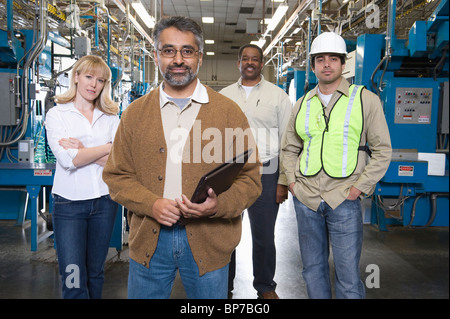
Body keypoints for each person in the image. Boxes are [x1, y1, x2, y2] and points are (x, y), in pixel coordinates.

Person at [102, 16, 262, 299]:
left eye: (187, 51)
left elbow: (250, 178)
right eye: (168, 50)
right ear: (156, 55)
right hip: (150, 240)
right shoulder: (135, 114)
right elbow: (116, 176)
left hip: (209, 241)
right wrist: (152, 204)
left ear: (199, 57)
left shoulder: (228, 112)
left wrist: (218, 205)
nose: (178, 59)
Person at [280, 32, 392, 299]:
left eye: (333, 59)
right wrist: (293, 184)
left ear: (344, 64)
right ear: (313, 65)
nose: (326, 64)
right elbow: (289, 148)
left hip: (344, 198)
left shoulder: (365, 100)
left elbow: (383, 151)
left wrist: (359, 188)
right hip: (306, 199)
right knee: (312, 269)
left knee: (348, 275)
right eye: (320, 59)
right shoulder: (302, 104)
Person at [220, 44, 292, 299]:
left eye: (255, 59)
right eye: (245, 59)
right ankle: (223, 286)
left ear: (262, 64)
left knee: (264, 235)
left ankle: (265, 286)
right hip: (230, 173)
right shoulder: (224, 95)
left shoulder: (278, 96)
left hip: (267, 171)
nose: (250, 63)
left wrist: (283, 180)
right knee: (226, 233)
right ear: (238, 63)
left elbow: (288, 140)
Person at [45, 55, 120, 299]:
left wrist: (83, 149)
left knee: (96, 272)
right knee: (73, 275)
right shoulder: (57, 115)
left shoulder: (110, 117)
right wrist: (107, 147)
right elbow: (68, 160)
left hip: (104, 202)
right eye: (89, 76)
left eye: (100, 80)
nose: (94, 84)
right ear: (76, 77)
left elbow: (120, 163)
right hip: (69, 204)